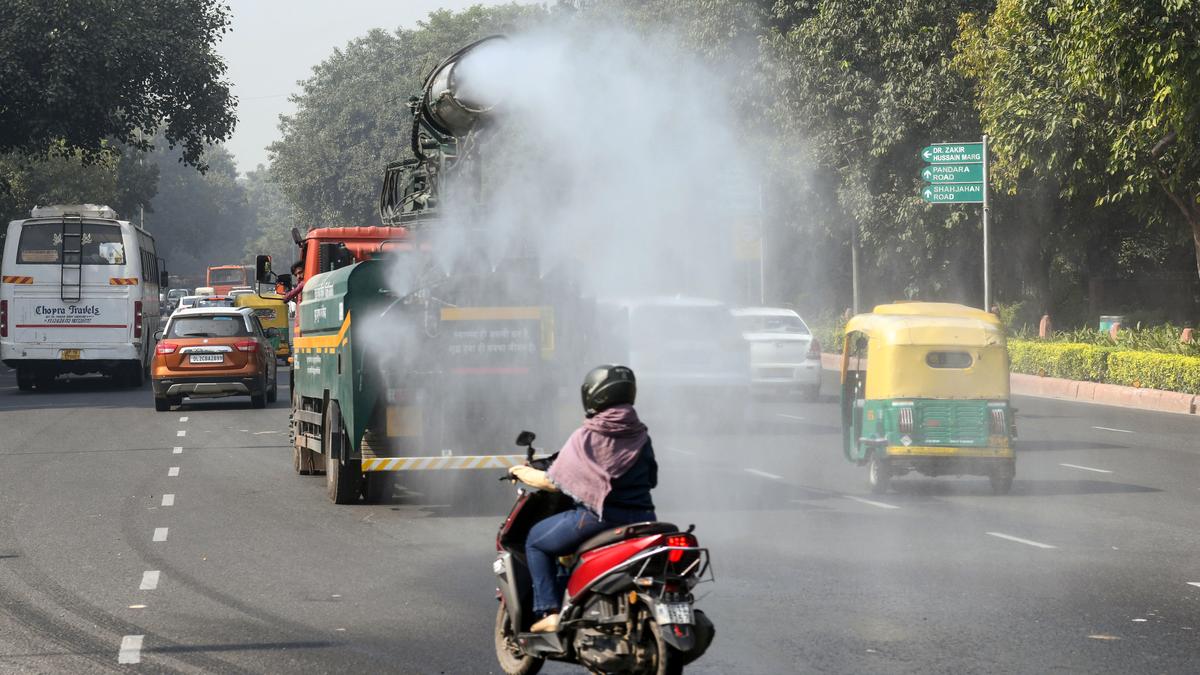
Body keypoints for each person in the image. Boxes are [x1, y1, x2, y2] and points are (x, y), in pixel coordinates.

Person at [508, 364, 658, 633]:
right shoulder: (640, 434)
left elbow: (552, 482)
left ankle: (549, 611)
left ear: (594, 396)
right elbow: (652, 478)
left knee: (535, 542)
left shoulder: (588, 435)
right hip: (645, 519)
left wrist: (520, 471)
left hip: (600, 519)